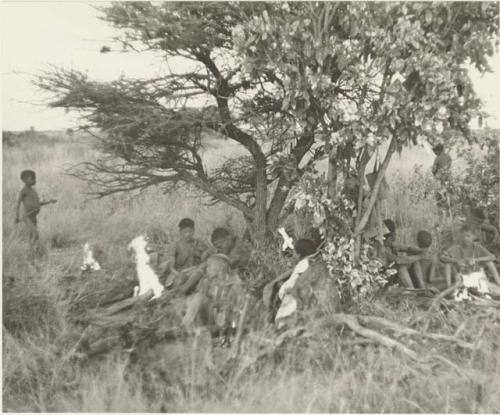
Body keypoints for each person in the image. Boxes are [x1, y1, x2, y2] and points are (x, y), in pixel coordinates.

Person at [440, 224, 500, 288]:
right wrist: (456, 261)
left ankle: (499, 283)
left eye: (468, 236)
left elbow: (493, 257)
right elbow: (442, 257)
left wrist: (476, 260)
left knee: (489, 262)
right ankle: (449, 287)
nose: (465, 238)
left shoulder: (477, 247)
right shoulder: (456, 248)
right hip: (461, 277)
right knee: (448, 264)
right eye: (463, 236)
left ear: (474, 237)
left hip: (476, 276)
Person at [157, 218, 213, 285]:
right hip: (180, 274)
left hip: (197, 273)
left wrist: (205, 253)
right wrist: (179, 274)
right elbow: (171, 268)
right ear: (180, 232)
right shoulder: (176, 245)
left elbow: (206, 260)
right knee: (181, 282)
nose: (188, 234)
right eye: (185, 232)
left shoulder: (199, 243)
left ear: (194, 230)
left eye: (190, 231)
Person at [376, 220, 428, 289]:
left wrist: (421, 251)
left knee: (414, 261)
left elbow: (407, 248)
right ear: (391, 236)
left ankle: (423, 288)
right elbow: (399, 260)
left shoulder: (389, 244)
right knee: (401, 267)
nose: (395, 237)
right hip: (384, 279)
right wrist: (420, 256)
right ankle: (411, 290)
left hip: (393, 275)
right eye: (393, 236)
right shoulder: (382, 249)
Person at [14, 170, 56, 253]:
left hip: (33, 217)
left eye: (34, 178)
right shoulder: (23, 191)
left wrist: (50, 201)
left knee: (31, 236)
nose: (34, 180)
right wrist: (17, 216)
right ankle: (28, 253)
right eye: (31, 178)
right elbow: (18, 204)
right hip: (27, 216)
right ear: (24, 180)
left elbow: (38, 204)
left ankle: (31, 255)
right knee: (35, 235)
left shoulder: (33, 191)